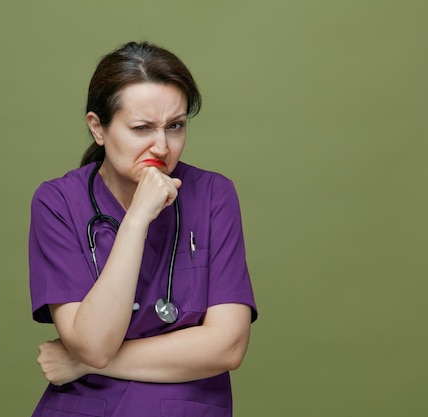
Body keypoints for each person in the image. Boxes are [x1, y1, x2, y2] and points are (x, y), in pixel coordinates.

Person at [28, 41, 258, 417]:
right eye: (141, 128)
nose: (162, 146)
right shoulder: (57, 203)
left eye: (176, 126)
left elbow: (227, 347)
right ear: (97, 128)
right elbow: (94, 343)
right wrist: (136, 220)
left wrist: (83, 364)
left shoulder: (214, 195)